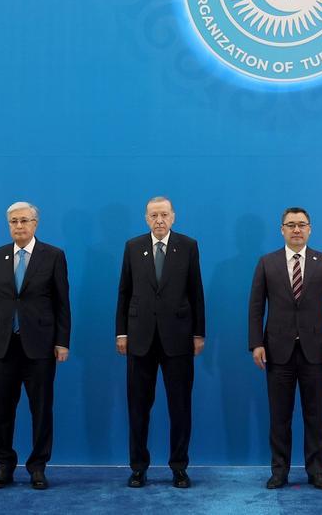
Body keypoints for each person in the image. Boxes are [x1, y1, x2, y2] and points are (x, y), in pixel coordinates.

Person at [248, 207, 322, 490]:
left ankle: (316, 471)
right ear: (282, 230)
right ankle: (279, 471)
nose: (296, 229)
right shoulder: (267, 262)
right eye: (290, 224)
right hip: (277, 351)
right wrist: (256, 343)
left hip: (315, 351)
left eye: (301, 224)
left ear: (310, 229)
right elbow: (256, 307)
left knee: (315, 416)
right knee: (279, 417)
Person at [0, 201, 70, 490]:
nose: (18, 226)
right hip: (4, 346)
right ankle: (4, 464)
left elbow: (62, 302)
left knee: (41, 410)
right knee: (2, 410)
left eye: (24, 221)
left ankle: (38, 467)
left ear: (35, 224)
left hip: (40, 346)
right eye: (13, 221)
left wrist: (62, 341)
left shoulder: (53, 255)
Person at [116, 196, 206, 488]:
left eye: (164, 214)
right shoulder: (133, 247)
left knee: (180, 407)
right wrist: (121, 333)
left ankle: (179, 467)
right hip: (139, 338)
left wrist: (198, 333)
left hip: (178, 338)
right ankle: (138, 468)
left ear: (173, 217)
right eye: (154, 215)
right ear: (146, 218)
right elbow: (124, 291)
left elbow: (196, 291)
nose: (159, 220)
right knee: (138, 407)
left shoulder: (188, 246)